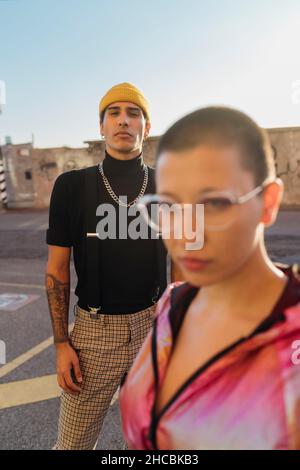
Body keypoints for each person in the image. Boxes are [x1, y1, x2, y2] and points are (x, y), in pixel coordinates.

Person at [119, 106, 300, 450]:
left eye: (214, 204)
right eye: (170, 207)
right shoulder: (173, 304)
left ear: (268, 202)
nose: (187, 234)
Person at [45, 82, 172, 450]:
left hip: (152, 329)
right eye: (113, 113)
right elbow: (56, 271)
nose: (123, 120)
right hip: (95, 333)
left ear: (145, 128)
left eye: (134, 113)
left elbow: (182, 266)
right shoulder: (71, 186)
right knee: (72, 446)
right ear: (101, 127)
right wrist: (60, 344)